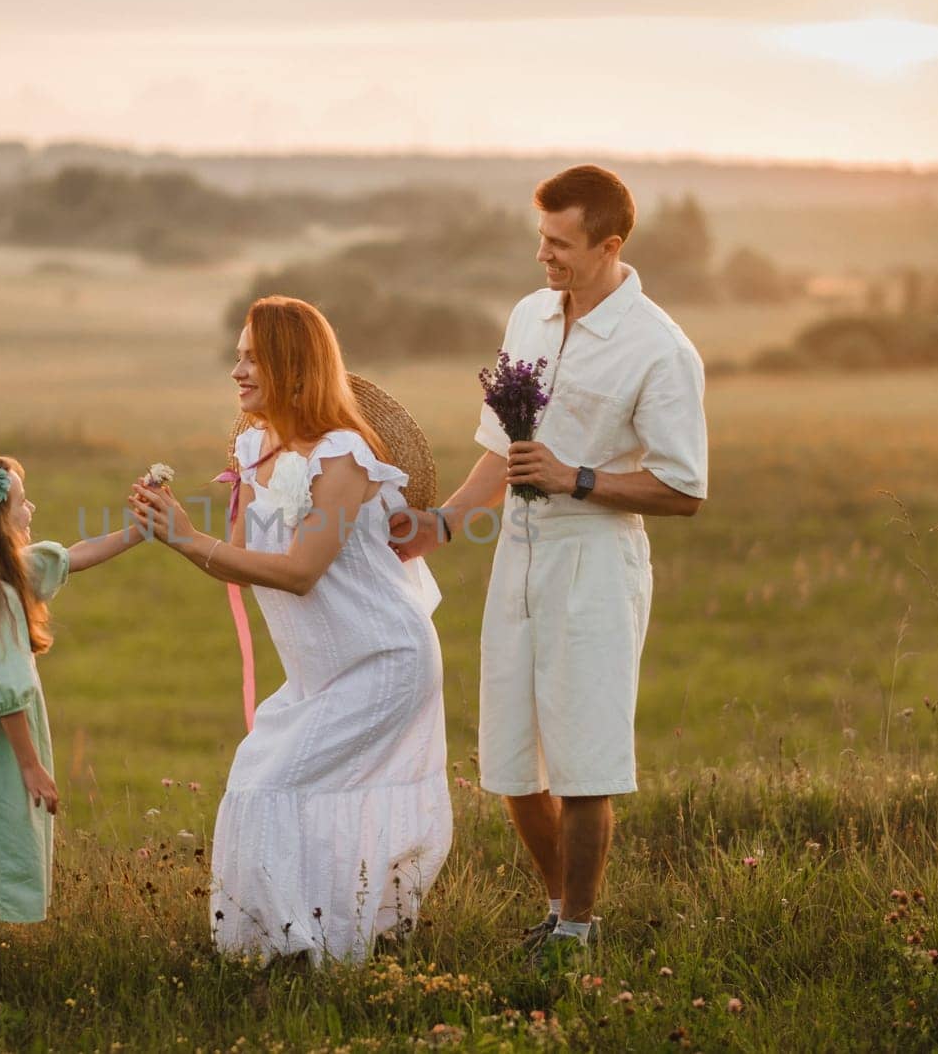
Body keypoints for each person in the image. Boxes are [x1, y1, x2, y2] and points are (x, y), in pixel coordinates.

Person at [393, 165, 708, 959]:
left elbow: (684, 489)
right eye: (540, 237)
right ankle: (558, 906)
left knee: (585, 758)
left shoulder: (660, 349)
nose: (544, 255)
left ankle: (576, 931)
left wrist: (578, 477)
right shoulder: (529, 318)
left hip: (596, 560)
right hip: (518, 558)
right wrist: (438, 525)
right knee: (508, 759)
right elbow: (501, 453)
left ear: (610, 245)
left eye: (560, 242)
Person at [129, 296, 451, 965]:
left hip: (383, 655)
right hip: (318, 668)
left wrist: (190, 542)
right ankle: (298, 944)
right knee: (272, 778)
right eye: (239, 354)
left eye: (252, 356)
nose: (237, 370)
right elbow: (244, 562)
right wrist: (179, 525)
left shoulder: (346, 455)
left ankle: (308, 948)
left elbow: (301, 571)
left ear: (290, 364)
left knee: (271, 782)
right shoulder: (254, 445)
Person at [0, 455, 142, 1011]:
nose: (31, 508)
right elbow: (6, 691)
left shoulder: (1, 576)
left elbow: (74, 557)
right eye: (20, 503)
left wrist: (140, 532)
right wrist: (31, 764)